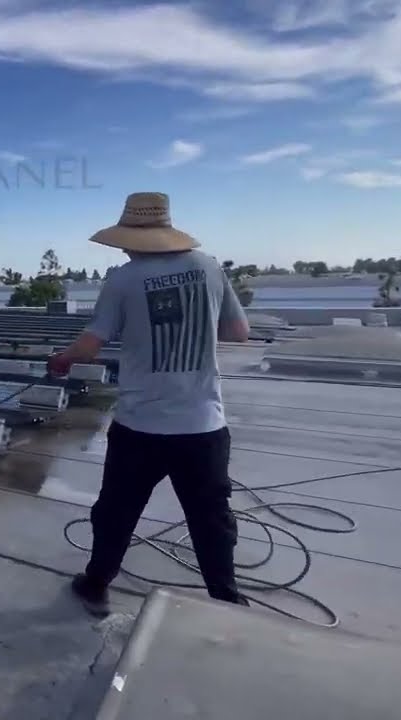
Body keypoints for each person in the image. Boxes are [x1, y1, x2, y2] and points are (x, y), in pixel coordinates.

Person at [47, 192, 251, 617]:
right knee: (211, 520)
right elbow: (238, 332)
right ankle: (227, 601)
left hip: (140, 426)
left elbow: (91, 343)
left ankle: (97, 583)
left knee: (116, 512)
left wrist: (63, 358)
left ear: (131, 237)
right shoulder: (210, 267)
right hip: (203, 426)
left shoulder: (124, 279)